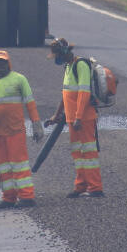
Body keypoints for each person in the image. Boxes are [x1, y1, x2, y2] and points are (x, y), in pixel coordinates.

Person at [0, 50, 44, 209]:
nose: (1, 65)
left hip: (15, 131)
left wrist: (36, 124)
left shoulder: (19, 79)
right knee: (3, 167)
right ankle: (9, 198)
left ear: (8, 63)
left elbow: (30, 104)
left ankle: (27, 197)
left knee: (19, 165)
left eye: (3, 62)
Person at [45, 38, 103, 198]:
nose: (55, 58)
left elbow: (84, 93)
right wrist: (56, 115)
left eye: (56, 55)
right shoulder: (68, 66)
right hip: (72, 120)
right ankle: (81, 186)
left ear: (63, 53)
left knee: (88, 153)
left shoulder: (81, 65)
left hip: (83, 118)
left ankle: (95, 187)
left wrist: (78, 117)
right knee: (78, 154)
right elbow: (65, 94)